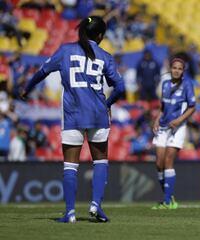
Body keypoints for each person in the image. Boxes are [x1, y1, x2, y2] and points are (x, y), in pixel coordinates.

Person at [21, 16, 125, 223]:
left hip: (72, 115)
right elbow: (120, 87)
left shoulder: (65, 50)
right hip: (98, 114)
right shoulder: (105, 55)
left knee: (70, 165)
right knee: (100, 161)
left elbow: (42, 71)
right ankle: (96, 204)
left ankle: (70, 213)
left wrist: (27, 89)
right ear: (100, 35)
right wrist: (107, 104)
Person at [152, 57, 196, 209]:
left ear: (183, 71)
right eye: (174, 68)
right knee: (159, 164)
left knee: (168, 162)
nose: (176, 70)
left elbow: (192, 107)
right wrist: (157, 119)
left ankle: (167, 202)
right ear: (170, 69)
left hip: (177, 128)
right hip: (163, 126)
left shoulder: (187, 85)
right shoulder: (164, 84)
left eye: (179, 68)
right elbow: (163, 107)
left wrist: (179, 120)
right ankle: (169, 197)